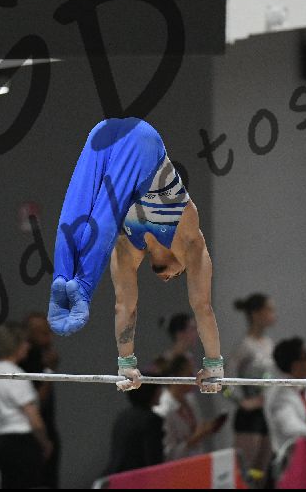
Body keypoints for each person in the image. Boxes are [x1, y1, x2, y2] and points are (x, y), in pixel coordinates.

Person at [48, 118, 224, 394]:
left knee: (81, 213)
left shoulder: (130, 246)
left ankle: (65, 282)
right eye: (179, 274)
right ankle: (80, 285)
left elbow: (124, 305)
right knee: (106, 218)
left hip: (102, 133)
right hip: (143, 143)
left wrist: (126, 364)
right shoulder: (191, 240)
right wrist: (214, 366)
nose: (171, 277)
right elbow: (202, 306)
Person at [0, 322, 53, 490]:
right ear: (14, 345)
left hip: (1, 439)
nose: (28, 346)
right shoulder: (15, 374)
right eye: (24, 342)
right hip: (21, 442)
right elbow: (33, 416)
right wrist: (45, 442)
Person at [229, 293, 277, 482]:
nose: (274, 314)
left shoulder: (268, 343)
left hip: (266, 413)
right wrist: (242, 401)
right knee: (244, 472)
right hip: (249, 417)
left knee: (261, 474)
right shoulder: (245, 346)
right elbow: (224, 380)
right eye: (269, 309)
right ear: (256, 314)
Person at [18, 311, 61, 489]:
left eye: (49, 331)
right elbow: (35, 403)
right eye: (43, 333)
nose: (49, 337)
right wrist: (49, 371)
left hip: (46, 428)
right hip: (32, 435)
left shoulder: (43, 356)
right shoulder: (26, 361)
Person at [156, 355, 225, 462]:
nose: (195, 378)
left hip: (197, 460)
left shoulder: (190, 399)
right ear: (177, 377)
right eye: (189, 374)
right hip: (179, 467)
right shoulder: (164, 410)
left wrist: (206, 429)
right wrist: (194, 439)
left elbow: (196, 429)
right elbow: (168, 454)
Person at [104, 379, 165, 476]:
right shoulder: (151, 420)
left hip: (115, 474)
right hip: (135, 477)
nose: (161, 393)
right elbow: (153, 459)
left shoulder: (123, 416)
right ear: (150, 392)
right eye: (158, 389)